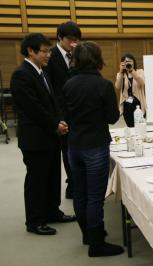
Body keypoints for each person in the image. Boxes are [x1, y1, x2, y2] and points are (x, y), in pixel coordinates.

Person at [10, 33, 76, 235]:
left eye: (49, 51)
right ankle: (35, 220)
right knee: (37, 180)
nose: (49, 55)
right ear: (31, 51)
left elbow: (52, 101)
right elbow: (33, 108)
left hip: (50, 135)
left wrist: (60, 121)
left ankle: (51, 211)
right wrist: (55, 125)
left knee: (52, 176)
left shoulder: (42, 71)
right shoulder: (21, 74)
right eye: (45, 51)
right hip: (35, 138)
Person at [63, 41, 123, 256]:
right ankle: (97, 244)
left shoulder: (69, 84)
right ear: (98, 60)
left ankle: (88, 235)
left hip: (74, 145)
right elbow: (112, 117)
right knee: (95, 196)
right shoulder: (103, 85)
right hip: (95, 145)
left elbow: (66, 116)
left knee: (80, 192)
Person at [45, 21, 82, 199]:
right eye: (70, 39)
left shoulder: (78, 56)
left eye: (77, 40)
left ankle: (74, 183)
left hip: (77, 110)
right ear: (59, 38)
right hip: (59, 112)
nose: (73, 43)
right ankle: (72, 184)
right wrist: (57, 116)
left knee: (76, 148)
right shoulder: (50, 57)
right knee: (65, 150)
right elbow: (49, 89)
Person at [114, 53, 146, 127]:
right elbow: (117, 87)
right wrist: (121, 72)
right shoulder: (120, 74)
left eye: (130, 61)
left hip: (139, 103)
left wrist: (132, 71)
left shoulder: (140, 71)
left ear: (134, 62)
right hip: (127, 105)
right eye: (126, 62)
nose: (128, 63)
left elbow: (142, 83)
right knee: (130, 126)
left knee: (140, 125)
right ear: (122, 63)